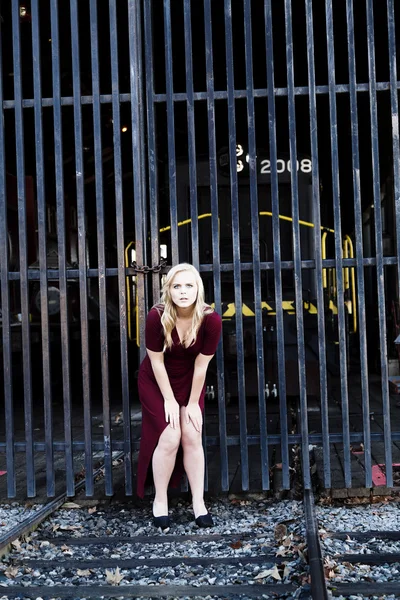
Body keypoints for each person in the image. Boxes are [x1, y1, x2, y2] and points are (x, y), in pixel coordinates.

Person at [136, 263, 222, 530]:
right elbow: (156, 363)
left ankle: (199, 502)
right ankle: (160, 500)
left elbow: (201, 365)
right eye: (176, 286)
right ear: (168, 290)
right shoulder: (156, 316)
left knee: (192, 432)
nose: (183, 292)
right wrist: (170, 401)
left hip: (190, 379)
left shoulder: (211, 319)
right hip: (156, 379)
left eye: (189, 285)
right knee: (171, 434)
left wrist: (193, 403)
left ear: (198, 289)